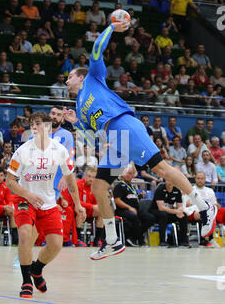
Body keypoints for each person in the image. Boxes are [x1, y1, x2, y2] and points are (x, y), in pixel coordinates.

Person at [64, 22, 217, 260]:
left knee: (161, 168)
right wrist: (75, 122)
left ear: (80, 77)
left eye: (69, 77)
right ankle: (113, 240)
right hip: (115, 139)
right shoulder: (78, 105)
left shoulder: (93, 78)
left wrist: (112, 27)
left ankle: (204, 207)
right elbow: (88, 133)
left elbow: (96, 48)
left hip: (124, 125)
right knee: (99, 186)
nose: (66, 81)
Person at [6, 111, 85, 298]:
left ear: (48, 127)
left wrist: (78, 205)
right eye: (32, 124)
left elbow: (70, 180)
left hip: (48, 201)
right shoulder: (22, 151)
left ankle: (37, 269)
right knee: (25, 234)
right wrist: (28, 195)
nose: (34, 127)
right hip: (25, 199)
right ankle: (26, 281)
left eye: (38, 123)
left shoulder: (60, 150)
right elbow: (10, 181)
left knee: (56, 245)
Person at [113, 166, 155, 246]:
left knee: (150, 218)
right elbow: (117, 200)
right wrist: (129, 208)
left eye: (131, 174)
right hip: (122, 210)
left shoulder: (132, 187)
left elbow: (132, 197)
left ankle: (132, 237)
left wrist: (139, 196)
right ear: (123, 175)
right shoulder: (119, 186)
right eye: (127, 173)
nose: (129, 175)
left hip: (135, 209)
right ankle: (140, 240)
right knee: (134, 216)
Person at [149, 179, 189, 247]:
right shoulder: (160, 190)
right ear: (165, 181)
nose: (170, 182)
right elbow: (161, 208)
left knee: (183, 215)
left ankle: (183, 241)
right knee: (163, 215)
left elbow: (180, 206)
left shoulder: (177, 191)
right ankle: (162, 241)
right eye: (168, 180)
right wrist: (176, 211)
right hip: (155, 212)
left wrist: (179, 211)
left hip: (168, 212)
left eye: (172, 180)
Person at [75, 167, 104, 247]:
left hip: (91, 211)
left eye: (93, 177)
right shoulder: (78, 183)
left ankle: (97, 240)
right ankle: (78, 239)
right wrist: (92, 206)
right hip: (80, 209)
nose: (91, 179)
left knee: (101, 212)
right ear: (85, 175)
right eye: (89, 176)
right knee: (80, 210)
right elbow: (77, 201)